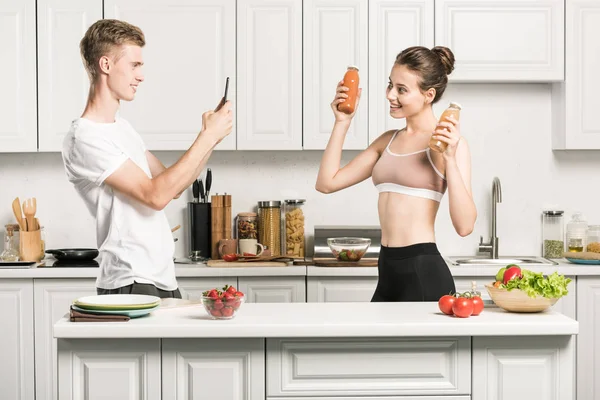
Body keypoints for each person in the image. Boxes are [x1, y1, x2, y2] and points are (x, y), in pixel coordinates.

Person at [61, 19, 232, 298]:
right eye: (134, 65)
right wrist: (208, 137)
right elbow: (156, 195)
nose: (141, 76)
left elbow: (172, 187)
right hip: (129, 279)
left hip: (160, 277)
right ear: (106, 65)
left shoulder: (123, 129)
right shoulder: (84, 137)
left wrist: (210, 136)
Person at [315, 46, 477, 302]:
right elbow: (326, 183)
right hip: (387, 270)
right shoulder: (387, 141)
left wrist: (450, 159)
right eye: (390, 85)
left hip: (423, 272)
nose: (390, 95)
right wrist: (342, 122)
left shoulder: (449, 144)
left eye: (402, 89)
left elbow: (465, 226)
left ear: (428, 95)